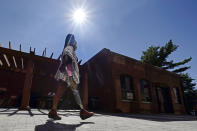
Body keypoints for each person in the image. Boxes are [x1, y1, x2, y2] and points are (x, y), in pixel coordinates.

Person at [48, 34, 94, 120]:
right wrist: (70, 75)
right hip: (67, 75)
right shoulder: (70, 47)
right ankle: (83, 112)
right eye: (75, 41)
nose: (76, 43)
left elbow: (68, 58)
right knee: (75, 92)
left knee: (60, 93)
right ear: (72, 41)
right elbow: (67, 58)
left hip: (65, 75)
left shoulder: (69, 48)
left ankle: (53, 111)